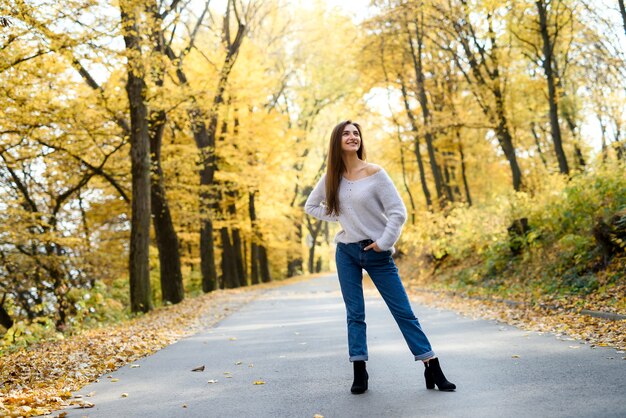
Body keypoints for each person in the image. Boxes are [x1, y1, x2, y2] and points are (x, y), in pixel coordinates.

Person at [304, 120, 456, 394]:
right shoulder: (331, 177)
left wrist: (383, 242)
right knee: (355, 315)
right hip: (346, 253)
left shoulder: (375, 173)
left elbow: (398, 212)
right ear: (336, 141)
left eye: (356, 133)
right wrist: (341, 214)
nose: (353, 137)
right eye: (346, 134)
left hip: (376, 253)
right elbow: (311, 206)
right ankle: (359, 372)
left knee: (403, 312)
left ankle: (431, 366)